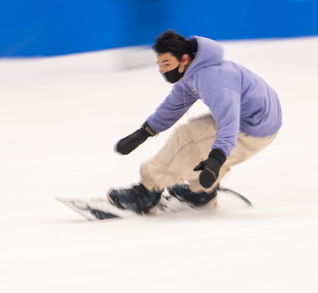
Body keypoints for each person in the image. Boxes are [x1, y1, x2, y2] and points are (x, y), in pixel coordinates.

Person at [107, 29, 282, 214]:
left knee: (188, 137)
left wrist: (217, 157)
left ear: (183, 59)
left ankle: (146, 193)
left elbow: (228, 121)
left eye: (166, 63)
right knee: (200, 138)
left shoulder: (212, 79)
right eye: (159, 64)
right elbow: (173, 105)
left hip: (253, 128)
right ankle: (201, 193)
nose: (162, 69)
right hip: (255, 120)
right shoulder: (195, 69)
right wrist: (145, 131)